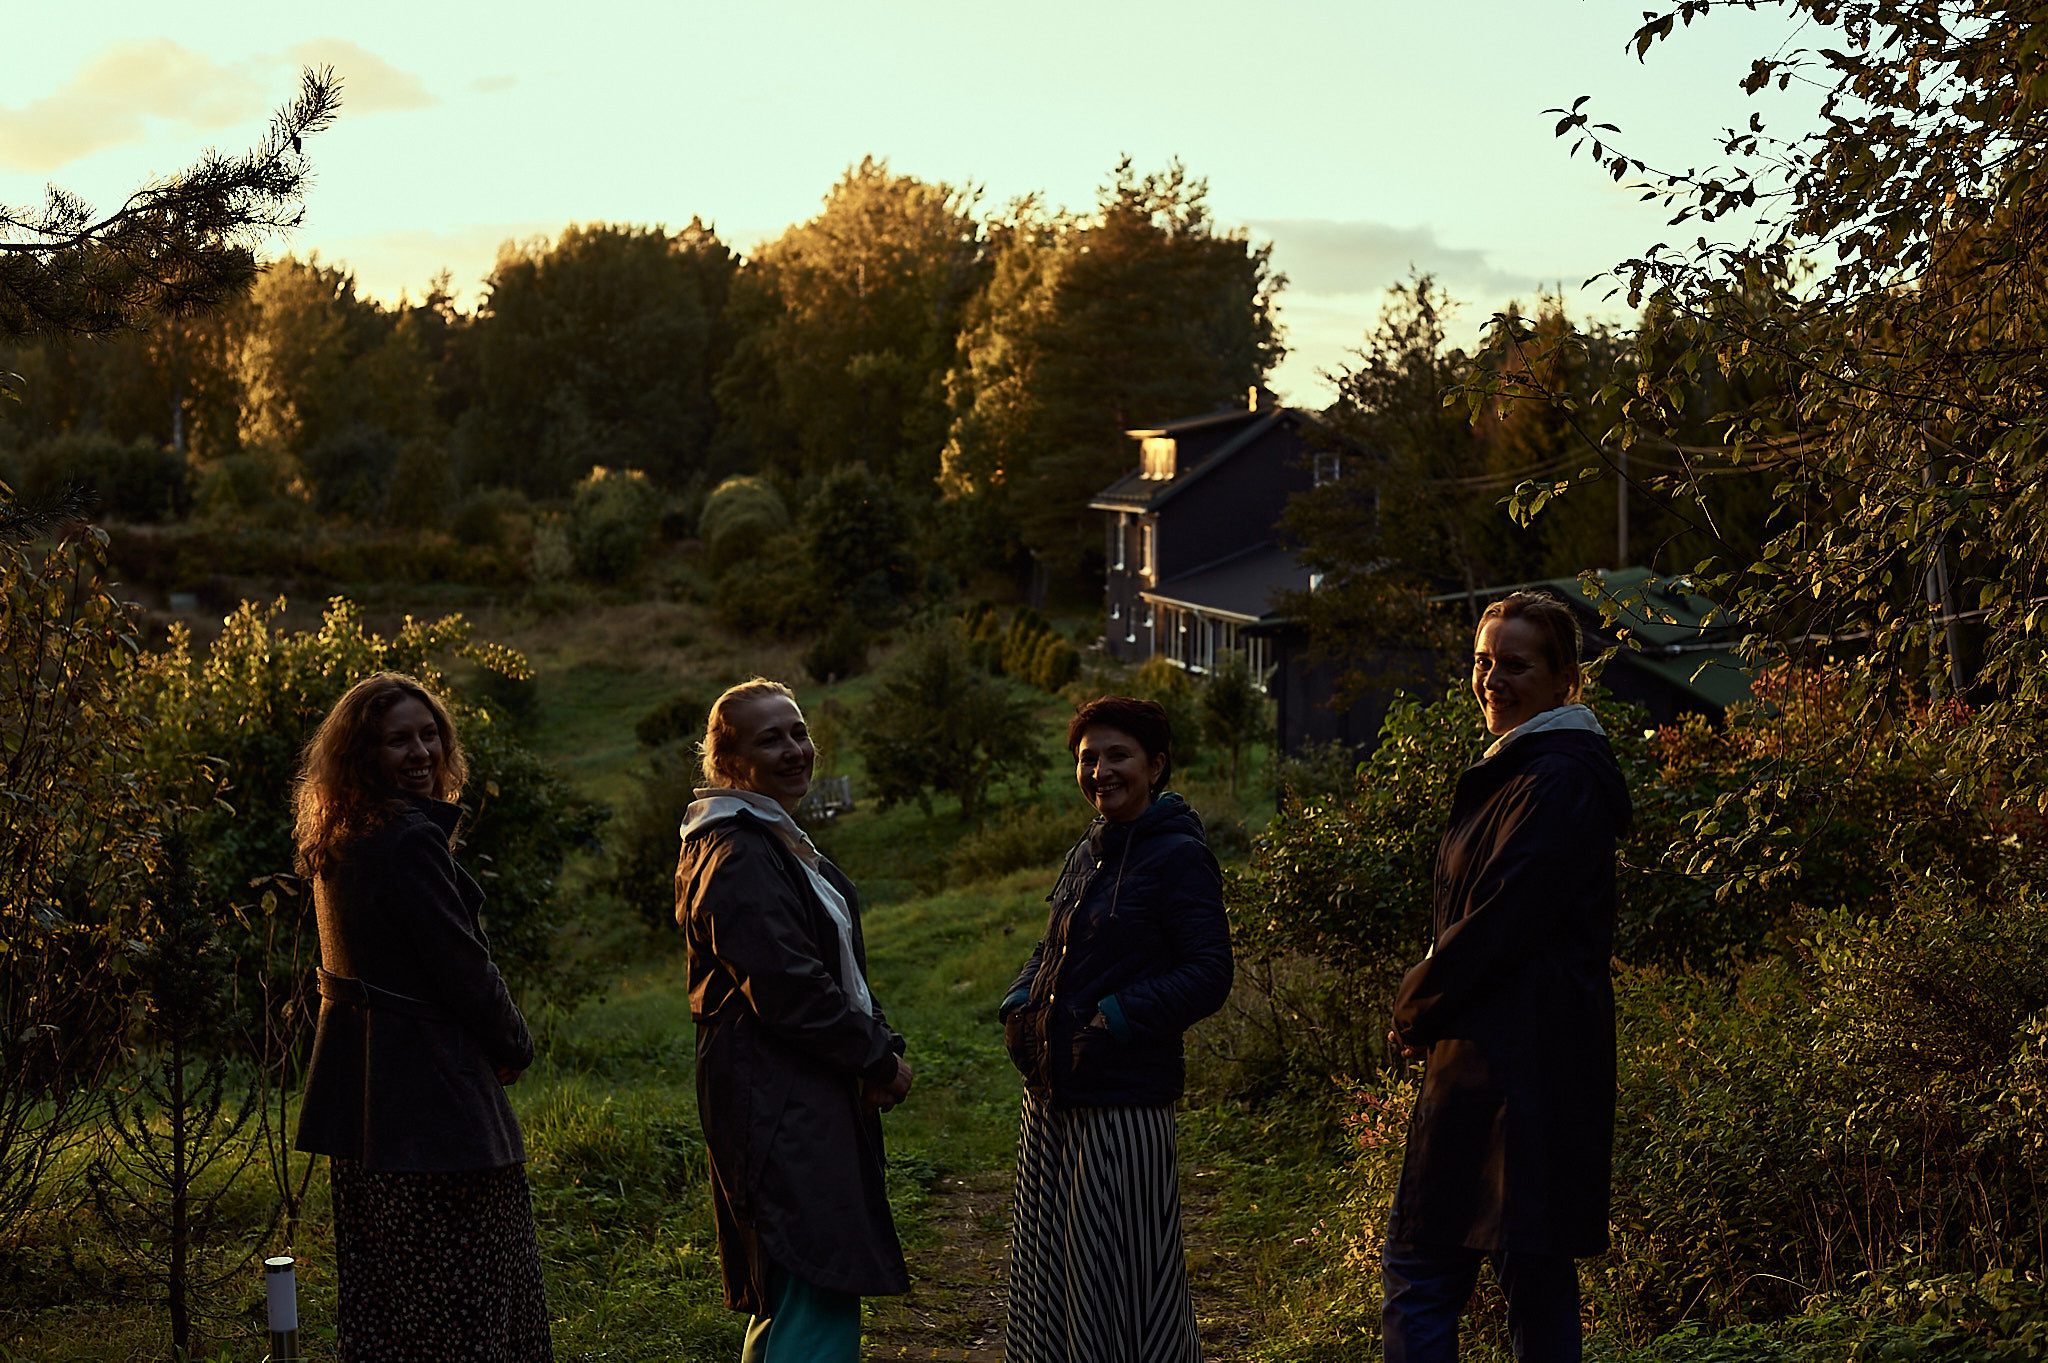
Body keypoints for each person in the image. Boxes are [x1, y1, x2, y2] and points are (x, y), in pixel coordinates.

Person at [1380, 591, 1634, 1363]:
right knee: (1536, 1277)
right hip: (1518, 1067)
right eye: (1484, 662)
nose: (1493, 680)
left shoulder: (1556, 779)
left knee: (1422, 1270)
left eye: (1517, 665)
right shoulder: (1528, 769)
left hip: (1508, 1074)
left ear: (1566, 679)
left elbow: (1499, 920)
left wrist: (1413, 1006)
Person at [293, 672, 551, 1363]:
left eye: (429, 733)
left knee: (386, 1300)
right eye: (397, 738)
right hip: (430, 1105)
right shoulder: (406, 838)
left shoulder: (342, 829)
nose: (420, 751)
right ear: (363, 752)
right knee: (467, 1297)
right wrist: (514, 1044)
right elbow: (463, 969)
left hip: (365, 1101)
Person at [673, 678, 912, 1363]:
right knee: (815, 1273)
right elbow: (787, 987)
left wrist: (874, 1042)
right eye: (770, 737)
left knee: (800, 1287)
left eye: (798, 732)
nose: (795, 749)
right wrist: (876, 1057)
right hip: (778, 1098)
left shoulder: (768, 836)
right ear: (727, 759)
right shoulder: (738, 850)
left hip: (797, 1088)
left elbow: (831, 965)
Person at [1000, 695, 1233, 1363]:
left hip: (1121, 1104)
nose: (1100, 770)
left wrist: (1117, 1016)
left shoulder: (1179, 855)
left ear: (1156, 765)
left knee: (1119, 1276)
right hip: (1053, 1096)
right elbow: (1054, 943)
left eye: (1118, 755)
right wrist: (1021, 1000)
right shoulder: (1091, 847)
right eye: (1088, 757)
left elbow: (1209, 969)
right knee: (1055, 1274)